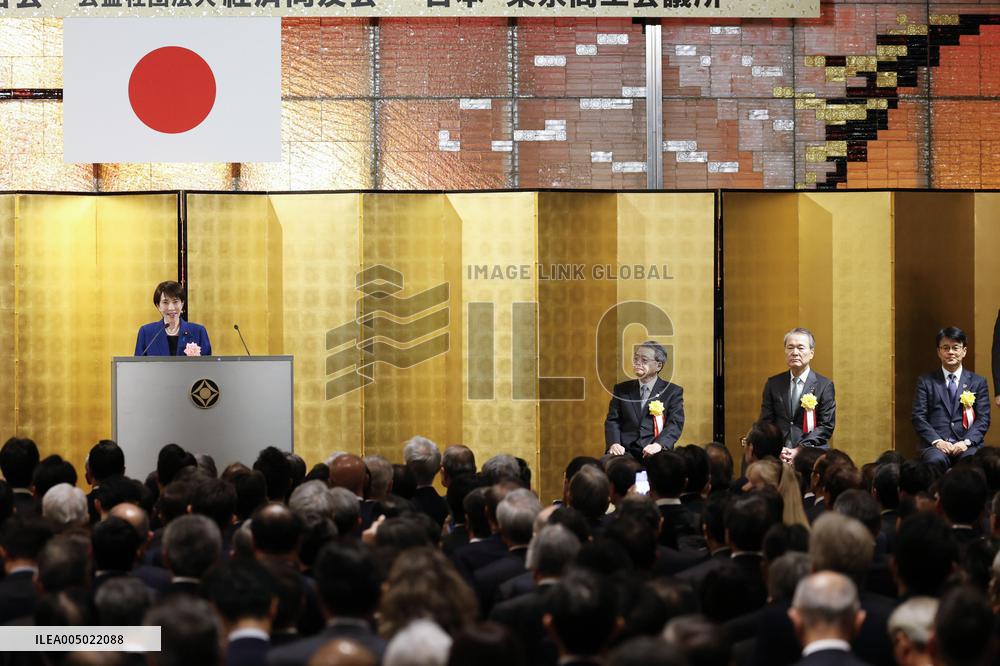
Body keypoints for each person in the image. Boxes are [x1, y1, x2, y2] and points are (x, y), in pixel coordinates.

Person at [911, 326, 990, 473]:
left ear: (964, 351)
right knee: (935, 461)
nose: (951, 352)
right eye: (945, 348)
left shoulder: (978, 382)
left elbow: (983, 418)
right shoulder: (926, 381)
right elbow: (918, 417)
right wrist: (937, 441)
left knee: (972, 461)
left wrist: (966, 442)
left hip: (967, 445)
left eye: (955, 347)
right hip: (935, 445)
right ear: (938, 352)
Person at [759, 328, 836, 462]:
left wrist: (799, 449)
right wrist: (778, 448)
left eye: (800, 348)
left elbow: (826, 426)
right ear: (785, 352)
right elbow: (766, 422)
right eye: (790, 348)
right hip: (778, 452)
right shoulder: (773, 383)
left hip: (810, 451)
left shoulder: (824, 385)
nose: (795, 353)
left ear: (811, 353)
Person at [605, 340, 685, 461]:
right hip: (625, 451)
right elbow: (613, 420)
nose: (638, 363)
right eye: (636, 359)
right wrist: (614, 443)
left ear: (658, 365)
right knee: (605, 463)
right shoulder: (621, 389)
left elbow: (675, 424)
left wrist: (659, 445)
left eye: (644, 360)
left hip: (655, 450)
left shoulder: (672, 392)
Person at [134, 280, 211, 356]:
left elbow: (208, 366)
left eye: (175, 302)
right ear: (158, 306)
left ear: (182, 304)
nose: (171, 308)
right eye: (165, 302)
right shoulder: (146, 332)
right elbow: (137, 365)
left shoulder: (198, 332)